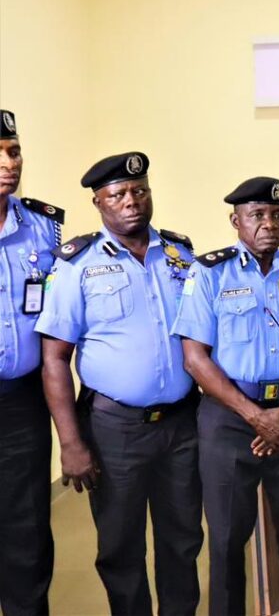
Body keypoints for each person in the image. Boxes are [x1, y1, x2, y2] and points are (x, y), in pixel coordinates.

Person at [35, 151, 202, 616]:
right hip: (115, 429)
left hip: (181, 424)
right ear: (99, 202)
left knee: (184, 538)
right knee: (121, 545)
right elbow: (54, 360)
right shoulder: (77, 264)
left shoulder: (181, 255)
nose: (131, 201)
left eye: (139, 191)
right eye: (118, 194)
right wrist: (71, 443)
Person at [172, 176, 279, 616]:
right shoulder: (210, 273)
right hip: (229, 420)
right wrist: (254, 416)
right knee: (227, 539)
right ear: (236, 221)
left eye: (277, 214)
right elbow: (195, 359)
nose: (270, 223)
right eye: (258, 215)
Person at [0, 109, 62, 616]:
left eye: (14, 151)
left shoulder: (44, 227)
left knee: (27, 528)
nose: (9, 163)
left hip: (21, 402)